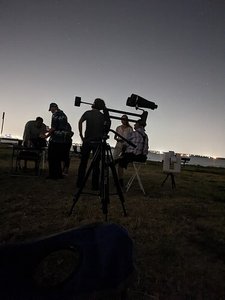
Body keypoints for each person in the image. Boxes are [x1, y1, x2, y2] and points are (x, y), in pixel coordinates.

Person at [76, 98, 107, 190]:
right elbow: (106, 128)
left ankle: (80, 183)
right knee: (96, 165)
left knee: (83, 163)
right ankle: (95, 185)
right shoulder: (102, 116)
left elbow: (80, 122)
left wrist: (81, 135)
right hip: (97, 142)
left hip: (87, 141)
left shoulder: (88, 113)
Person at [116, 119, 149, 187]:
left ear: (139, 125)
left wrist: (123, 152)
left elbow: (125, 145)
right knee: (122, 158)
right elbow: (146, 149)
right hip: (141, 158)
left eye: (135, 124)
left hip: (132, 156)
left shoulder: (133, 134)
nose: (134, 125)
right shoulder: (146, 136)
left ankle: (120, 181)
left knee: (120, 163)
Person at [45, 102, 70, 180]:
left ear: (53, 107)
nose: (51, 111)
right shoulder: (64, 115)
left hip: (55, 139)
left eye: (51, 109)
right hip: (62, 140)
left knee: (52, 158)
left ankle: (53, 175)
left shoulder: (55, 115)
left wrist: (46, 135)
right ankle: (59, 174)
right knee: (58, 158)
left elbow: (54, 128)